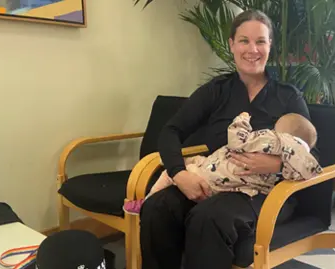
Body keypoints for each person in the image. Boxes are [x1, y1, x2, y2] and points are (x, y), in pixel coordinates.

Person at [139, 9, 314, 269]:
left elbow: (310, 155)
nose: (252, 49)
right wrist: (179, 174)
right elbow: (170, 131)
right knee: (156, 208)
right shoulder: (216, 91)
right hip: (213, 179)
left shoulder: (288, 96)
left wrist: (275, 165)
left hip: (264, 191)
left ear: (270, 46)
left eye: (260, 41)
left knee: (208, 218)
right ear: (232, 44)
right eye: (244, 40)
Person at [124, 112, 321, 214]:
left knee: (171, 173)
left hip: (220, 175)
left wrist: (241, 121)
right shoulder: (301, 156)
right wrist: (283, 165)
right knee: (187, 170)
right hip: (238, 182)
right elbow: (312, 169)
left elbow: (237, 141)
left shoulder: (272, 139)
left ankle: (146, 201)